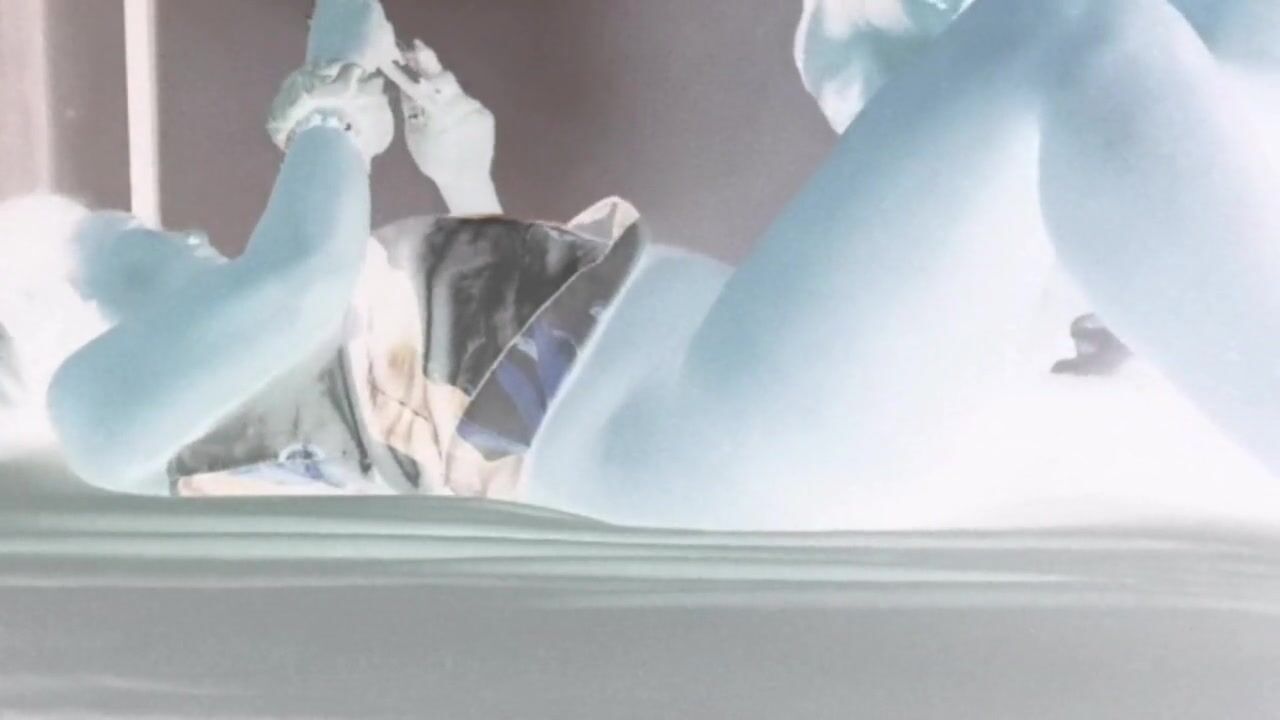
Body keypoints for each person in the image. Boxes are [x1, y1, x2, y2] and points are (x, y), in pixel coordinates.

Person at [6, 0, 1280, 531]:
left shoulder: (266, 357)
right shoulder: (94, 409)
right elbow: (292, 277)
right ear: (44, 311)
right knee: (1076, 32)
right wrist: (331, 63)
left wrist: (464, 179)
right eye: (129, 240)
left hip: (758, 386)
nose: (185, 235)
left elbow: (467, 387)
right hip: (709, 426)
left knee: (1213, 29)